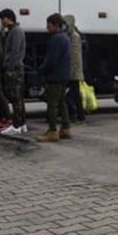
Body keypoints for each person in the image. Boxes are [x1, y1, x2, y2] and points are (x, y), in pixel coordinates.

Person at [36, 13, 72, 143]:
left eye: (49, 25)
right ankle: (65, 128)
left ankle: (52, 131)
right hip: (64, 75)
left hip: (55, 76)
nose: (47, 27)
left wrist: (41, 71)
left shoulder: (56, 39)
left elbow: (51, 60)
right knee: (62, 102)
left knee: (52, 104)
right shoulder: (65, 37)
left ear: (56, 25)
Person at [0, 9, 27, 135]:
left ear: (8, 18)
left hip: (14, 69)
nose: (1, 22)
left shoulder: (15, 32)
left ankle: (16, 125)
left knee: (15, 98)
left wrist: (8, 66)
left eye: (2, 19)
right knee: (18, 98)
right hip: (15, 68)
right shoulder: (14, 31)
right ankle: (21, 124)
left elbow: (14, 52)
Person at [63, 15, 86, 124]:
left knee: (71, 95)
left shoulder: (74, 37)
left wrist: (70, 72)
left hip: (73, 72)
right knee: (75, 95)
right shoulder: (72, 35)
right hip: (74, 71)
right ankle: (80, 115)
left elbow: (74, 57)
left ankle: (75, 115)